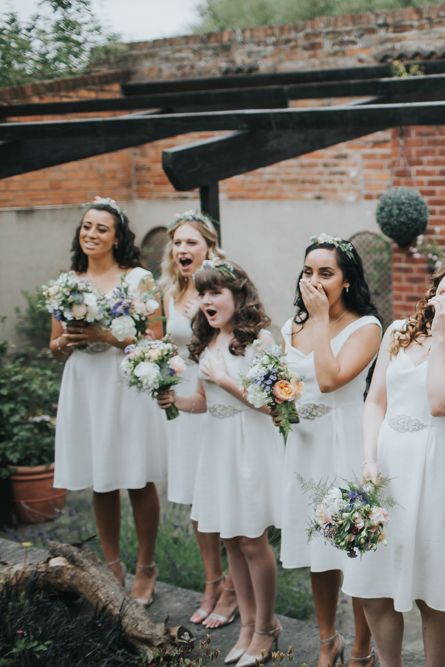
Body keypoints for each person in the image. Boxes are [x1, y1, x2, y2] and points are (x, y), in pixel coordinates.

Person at [342, 245, 445, 667]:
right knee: (375, 590)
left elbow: (441, 402)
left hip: (435, 471)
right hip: (388, 466)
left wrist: (439, 334)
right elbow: (375, 401)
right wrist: (368, 460)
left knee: (433, 595)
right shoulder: (397, 331)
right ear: (439, 279)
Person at [158, 258, 283, 667]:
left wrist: (227, 379)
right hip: (216, 444)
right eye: (202, 293)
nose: (207, 301)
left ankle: (266, 627)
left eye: (215, 293)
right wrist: (172, 399)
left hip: (251, 446)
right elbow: (202, 401)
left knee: (251, 539)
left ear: (237, 295)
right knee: (230, 538)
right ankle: (246, 626)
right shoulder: (207, 342)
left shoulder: (260, 340)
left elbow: (274, 406)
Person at [52, 196, 166, 607]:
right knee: (101, 478)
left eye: (102, 228)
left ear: (118, 237)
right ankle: (112, 564)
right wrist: (67, 340)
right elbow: (55, 343)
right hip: (85, 382)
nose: (91, 234)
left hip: (125, 382)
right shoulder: (69, 281)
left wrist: (105, 336)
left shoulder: (138, 279)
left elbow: (154, 336)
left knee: (136, 478)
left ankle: (147, 565)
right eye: (86, 226)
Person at [279, 234, 382, 667]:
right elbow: (288, 387)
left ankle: (362, 646)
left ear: (346, 280)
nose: (315, 281)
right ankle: (327, 640)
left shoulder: (367, 328)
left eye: (326, 272)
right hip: (304, 447)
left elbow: (329, 379)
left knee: (349, 546)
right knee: (316, 554)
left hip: (344, 443)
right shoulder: (290, 326)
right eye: (308, 271)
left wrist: (320, 321)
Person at [159, 210, 236, 628]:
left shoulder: (221, 286)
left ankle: (232, 587)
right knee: (194, 497)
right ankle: (211, 581)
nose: (183, 249)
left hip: (216, 392)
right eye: (178, 243)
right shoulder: (170, 293)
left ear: (208, 246)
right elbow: (166, 341)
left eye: (191, 242)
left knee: (220, 492)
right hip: (183, 399)